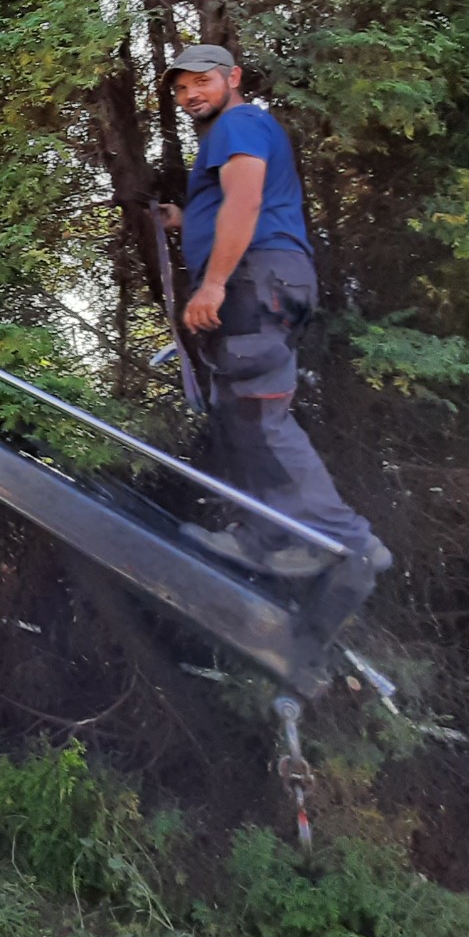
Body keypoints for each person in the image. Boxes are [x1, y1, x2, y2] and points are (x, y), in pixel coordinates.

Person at [160, 44, 390, 582]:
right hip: (267, 278)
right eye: (180, 88)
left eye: (201, 82)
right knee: (244, 411)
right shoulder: (234, 132)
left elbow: (245, 203)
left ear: (232, 78)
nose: (190, 94)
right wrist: (183, 218)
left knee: (258, 414)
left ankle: (348, 541)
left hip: (253, 279)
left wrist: (213, 283)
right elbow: (228, 202)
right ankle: (273, 538)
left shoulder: (238, 123)